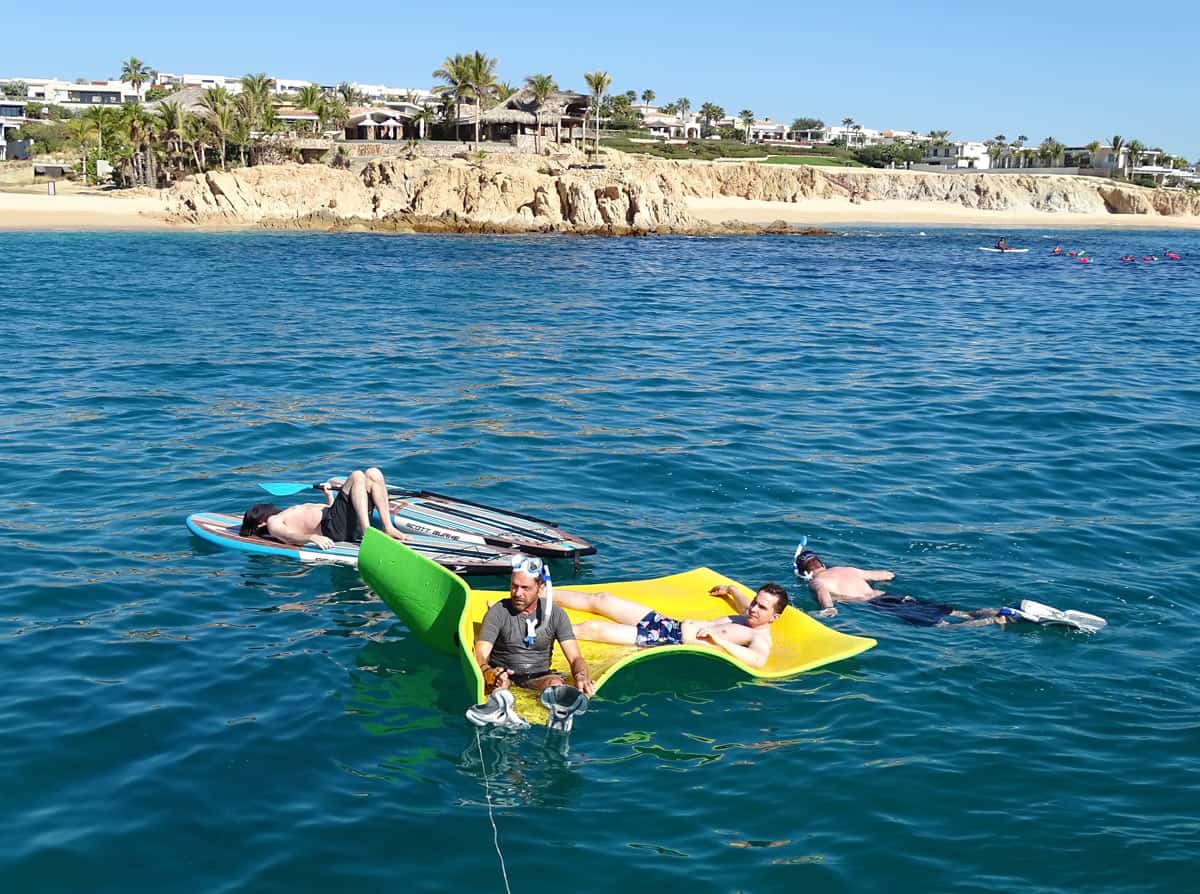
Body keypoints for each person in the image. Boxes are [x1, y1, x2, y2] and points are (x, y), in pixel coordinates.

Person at [552, 582, 789, 669]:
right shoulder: (749, 614)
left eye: (762, 608)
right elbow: (743, 603)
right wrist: (731, 590)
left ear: (774, 617)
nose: (754, 609)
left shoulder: (759, 638)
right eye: (756, 602)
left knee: (594, 629)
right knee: (602, 599)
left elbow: (757, 661)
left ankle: (537, 631)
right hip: (669, 624)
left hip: (667, 639)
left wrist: (720, 641)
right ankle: (545, 592)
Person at [475, 554, 596, 697]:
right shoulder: (498, 612)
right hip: (504, 675)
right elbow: (480, 653)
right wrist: (488, 672)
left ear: (540, 588)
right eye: (514, 586)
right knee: (501, 687)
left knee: (555, 684)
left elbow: (575, 658)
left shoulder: (555, 614)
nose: (518, 593)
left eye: (525, 588)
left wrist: (581, 677)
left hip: (539, 677)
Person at [796, 549, 1006, 628]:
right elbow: (887, 575)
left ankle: (993, 621)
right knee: (957, 613)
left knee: (942, 626)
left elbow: (828, 604)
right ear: (821, 564)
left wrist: (824, 611)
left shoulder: (818, 583)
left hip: (878, 605)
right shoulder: (848, 569)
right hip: (891, 595)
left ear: (805, 573)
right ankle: (997, 611)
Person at [239, 467, 409, 549]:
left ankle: (388, 527)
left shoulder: (284, 514)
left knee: (373, 473)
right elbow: (289, 536)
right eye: (264, 509)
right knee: (357, 475)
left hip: (338, 522)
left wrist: (329, 497)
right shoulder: (272, 522)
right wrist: (311, 537)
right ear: (260, 523)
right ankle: (367, 531)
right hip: (333, 528)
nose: (269, 507)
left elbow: (332, 513)